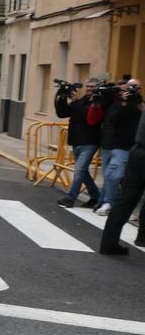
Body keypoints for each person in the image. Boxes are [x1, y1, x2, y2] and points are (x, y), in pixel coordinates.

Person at [99, 81, 145, 255]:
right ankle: (142, 237)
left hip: (137, 152)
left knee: (125, 201)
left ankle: (108, 243)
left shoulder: (139, 106)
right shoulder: (130, 105)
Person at [93, 78, 142, 216]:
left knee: (127, 179)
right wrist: (124, 103)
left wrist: (138, 103)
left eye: (137, 87)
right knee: (113, 175)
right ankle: (108, 202)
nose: (134, 90)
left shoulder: (140, 104)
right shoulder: (119, 103)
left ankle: (114, 204)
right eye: (132, 87)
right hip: (119, 146)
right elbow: (112, 119)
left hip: (135, 147)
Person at [53, 77, 103, 208]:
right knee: (83, 171)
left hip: (90, 141)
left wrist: (75, 101)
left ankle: (70, 197)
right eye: (88, 86)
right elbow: (63, 113)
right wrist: (62, 97)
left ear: (98, 88)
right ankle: (95, 196)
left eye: (93, 87)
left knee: (79, 170)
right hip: (76, 140)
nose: (89, 89)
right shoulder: (80, 101)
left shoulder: (99, 102)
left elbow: (89, 117)